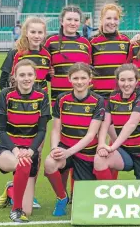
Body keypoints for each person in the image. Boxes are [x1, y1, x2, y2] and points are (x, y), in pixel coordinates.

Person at [0, 16, 51, 210]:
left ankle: (27, 193)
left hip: (39, 111)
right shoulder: (16, 53)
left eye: (40, 32)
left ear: (45, 35)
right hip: (17, 111)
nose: (36, 35)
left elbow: (49, 79)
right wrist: (16, 101)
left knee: (34, 153)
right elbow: (3, 82)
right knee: (17, 150)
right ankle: (16, 189)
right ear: (26, 32)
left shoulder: (46, 54)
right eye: (33, 32)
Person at [0, 59, 51, 222]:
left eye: (30, 74)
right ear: (15, 77)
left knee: (29, 211)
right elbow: (1, 130)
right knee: (22, 163)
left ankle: (12, 189)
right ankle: (15, 210)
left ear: (35, 76)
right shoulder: (6, 94)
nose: (26, 78)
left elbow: (42, 130)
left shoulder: (42, 96)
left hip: (30, 150)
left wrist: (31, 151)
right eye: (22, 75)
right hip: (7, 149)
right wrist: (16, 150)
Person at [44, 63, 105, 216]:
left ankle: (78, 193)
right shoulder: (62, 99)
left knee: (83, 205)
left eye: (83, 78)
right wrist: (54, 149)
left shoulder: (98, 101)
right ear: (69, 79)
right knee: (50, 162)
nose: (79, 81)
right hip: (65, 147)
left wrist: (68, 153)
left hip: (87, 152)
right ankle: (62, 197)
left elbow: (91, 135)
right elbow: (56, 129)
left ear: (90, 79)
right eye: (75, 78)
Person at [93, 64, 140, 180]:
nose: (126, 84)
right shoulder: (113, 96)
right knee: (99, 159)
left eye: (130, 80)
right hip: (124, 151)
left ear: (136, 81)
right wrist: (102, 144)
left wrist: (112, 147)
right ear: (117, 81)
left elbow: (132, 123)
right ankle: (109, 197)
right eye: (122, 80)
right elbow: (105, 122)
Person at [45, 5, 92, 106]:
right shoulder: (51, 41)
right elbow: (42, 67)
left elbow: (90, 69)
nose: (72, 23)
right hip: (59, 95)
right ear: (62, 21)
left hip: (82, 96)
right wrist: (48, 74)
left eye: (76, 20)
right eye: (69, 19)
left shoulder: (86, 43)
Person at [91, 4, 131, 100]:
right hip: (99, 96)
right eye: (108, 18)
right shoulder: (92, 42)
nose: (112, 22)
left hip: (121, 94)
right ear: (101, 19)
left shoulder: (125, 41)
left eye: (115, 19)